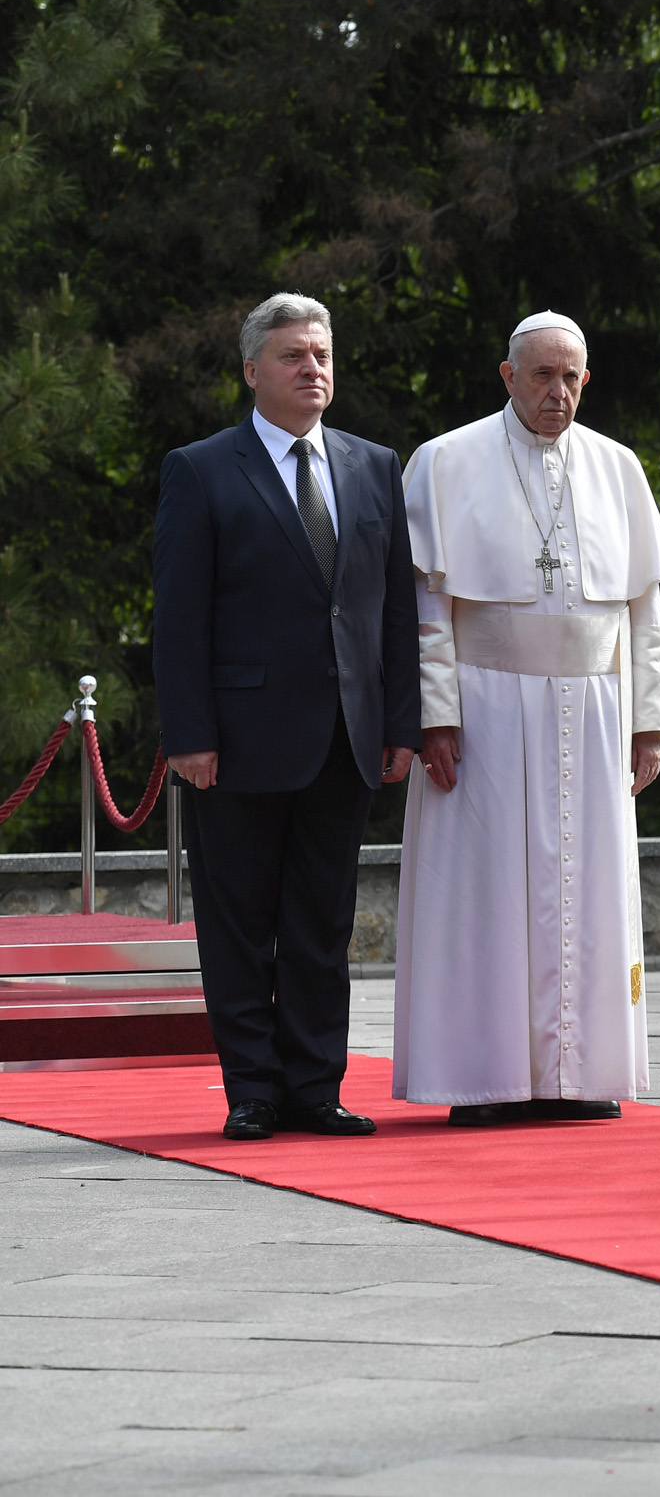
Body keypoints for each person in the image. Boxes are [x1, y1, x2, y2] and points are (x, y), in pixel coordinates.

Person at [392, 312, 660, 1125]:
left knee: (591, 894)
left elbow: (645, 614)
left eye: (571, 377)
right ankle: (484, 1079)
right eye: (543, 375)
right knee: (484, 895)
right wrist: (435, 715)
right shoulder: (446, 461)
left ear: (586, 380)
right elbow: (426, 608)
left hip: (594, 712)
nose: (558, 392)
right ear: (508, 375)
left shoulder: (618, 468)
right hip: (485, 711)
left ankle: (580, 1073)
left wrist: (649, 721)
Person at [153, 294, 420, 1142]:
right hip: (238, 742)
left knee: (321, 924)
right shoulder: (201, 469)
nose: (313, 368)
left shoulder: (374, 465)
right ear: (251, 370)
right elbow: (179, 617)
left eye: (322, 354)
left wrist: (401, 724)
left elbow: (394, 609)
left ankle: (314, 1085)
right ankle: (253, 1092)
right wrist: (189, 734)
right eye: (293, 355)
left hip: (347, 736)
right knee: (239, 924)